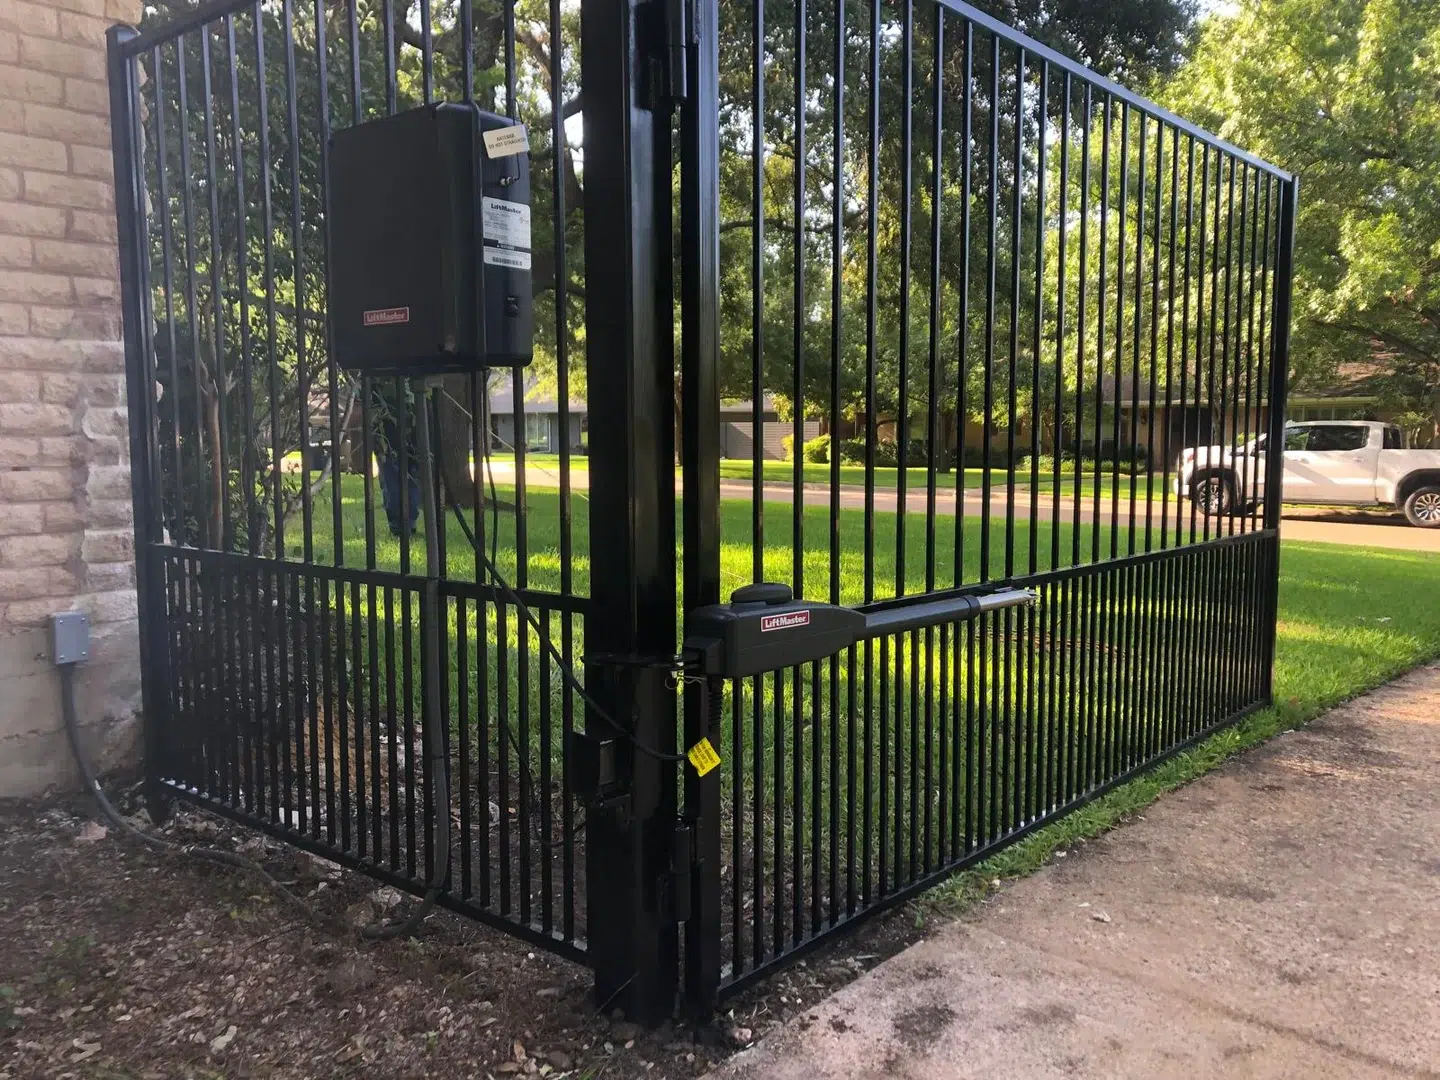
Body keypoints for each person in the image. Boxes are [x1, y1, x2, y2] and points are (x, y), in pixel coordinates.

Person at [372, 388, 420, 538]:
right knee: (392, 486)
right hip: (388, 443)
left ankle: (407, 525)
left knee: (408, 486)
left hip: (410, 444)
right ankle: (398, 527)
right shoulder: (377, 390)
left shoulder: (411, 397)